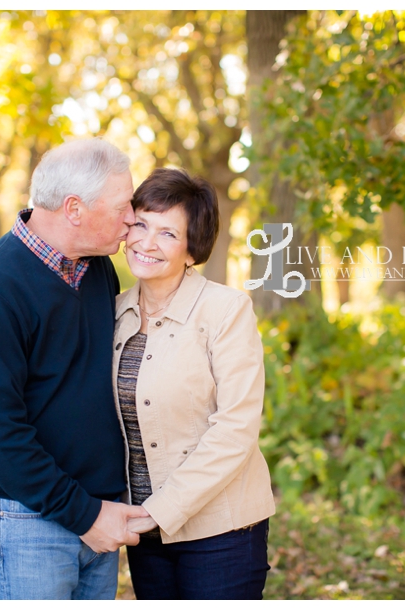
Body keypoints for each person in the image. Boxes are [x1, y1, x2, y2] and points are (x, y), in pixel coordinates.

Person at [0, 138, 149, 600]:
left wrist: (99, 512)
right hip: (25, 523)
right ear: (74, 208)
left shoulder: (96, 269)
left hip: (98, 514)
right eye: (122, 207)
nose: (132, 218)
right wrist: (84, 516)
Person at [113, 168, 276, 599]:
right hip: (144, 533)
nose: (146, 242)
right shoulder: (109, 312)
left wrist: (159, 510)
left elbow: (235, 430)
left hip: (221, 531)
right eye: (142, 224)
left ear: (191, 250)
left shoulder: (225, 311)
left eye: (168, 234)